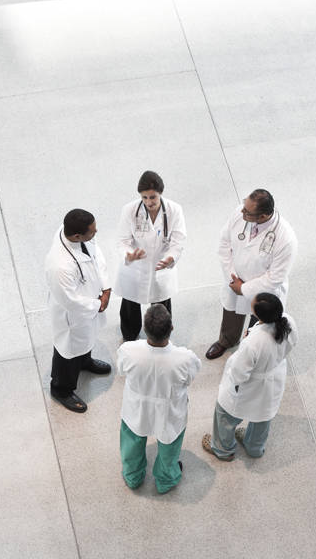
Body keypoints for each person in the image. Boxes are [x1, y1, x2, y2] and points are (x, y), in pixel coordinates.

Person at [116, 304, 201, 493]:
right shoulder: (185, 358)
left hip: (136, 409)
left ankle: (133, 476)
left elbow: (121, 370)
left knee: (132, 442)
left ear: (145, 330)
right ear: (171, 328)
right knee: (169, 446)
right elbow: (189, 379)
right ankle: (166, 480)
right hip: (169, 411)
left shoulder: (128, 350)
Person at [202, 293, 297, 461]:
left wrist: (231, 382)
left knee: (225, 413)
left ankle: (223, 449)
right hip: (274, 377)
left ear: (258, 315)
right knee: (263, 415)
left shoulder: (253, 342)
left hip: (251, 383)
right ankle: (254, 447)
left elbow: (239, 374)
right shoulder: (288, 322)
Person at [205, 189, 297, 360]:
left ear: (262, 216)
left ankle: (250, 352)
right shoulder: (240, 213)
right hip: (234, 281)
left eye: (247, 212)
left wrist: (244, 288)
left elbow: (276, 277)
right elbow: (224, 243)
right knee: (231, 313)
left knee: (258, 327)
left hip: (263, 291)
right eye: (244, 204)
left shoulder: (286, 238)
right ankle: (227, 340)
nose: (241, 211)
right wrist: (232, 277)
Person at [46, 208, 113, 413]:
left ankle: (84, 360)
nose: (96, 232)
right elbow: (70, 301)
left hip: (91, 301)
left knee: (86, 339)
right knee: (68, 350)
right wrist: (98, 304)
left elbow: (96, 255)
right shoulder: (60, 266)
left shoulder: (78, 236)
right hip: (73, 315)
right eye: (92, 231)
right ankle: (61, 389)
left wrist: (106, 287)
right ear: (77, 236)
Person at [115, 170, 187, 341]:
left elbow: (178, 240)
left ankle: (161, 337)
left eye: (153, 197)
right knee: (130, 306)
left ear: (160, 193)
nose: (149, 202)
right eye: (144, 198)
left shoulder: (174, 210)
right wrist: (129, 255)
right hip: (135, 267)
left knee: (161, 306)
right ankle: (129, 338)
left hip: (160, 266)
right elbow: (122, 240)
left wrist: (171, 257)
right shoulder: (129, 210)